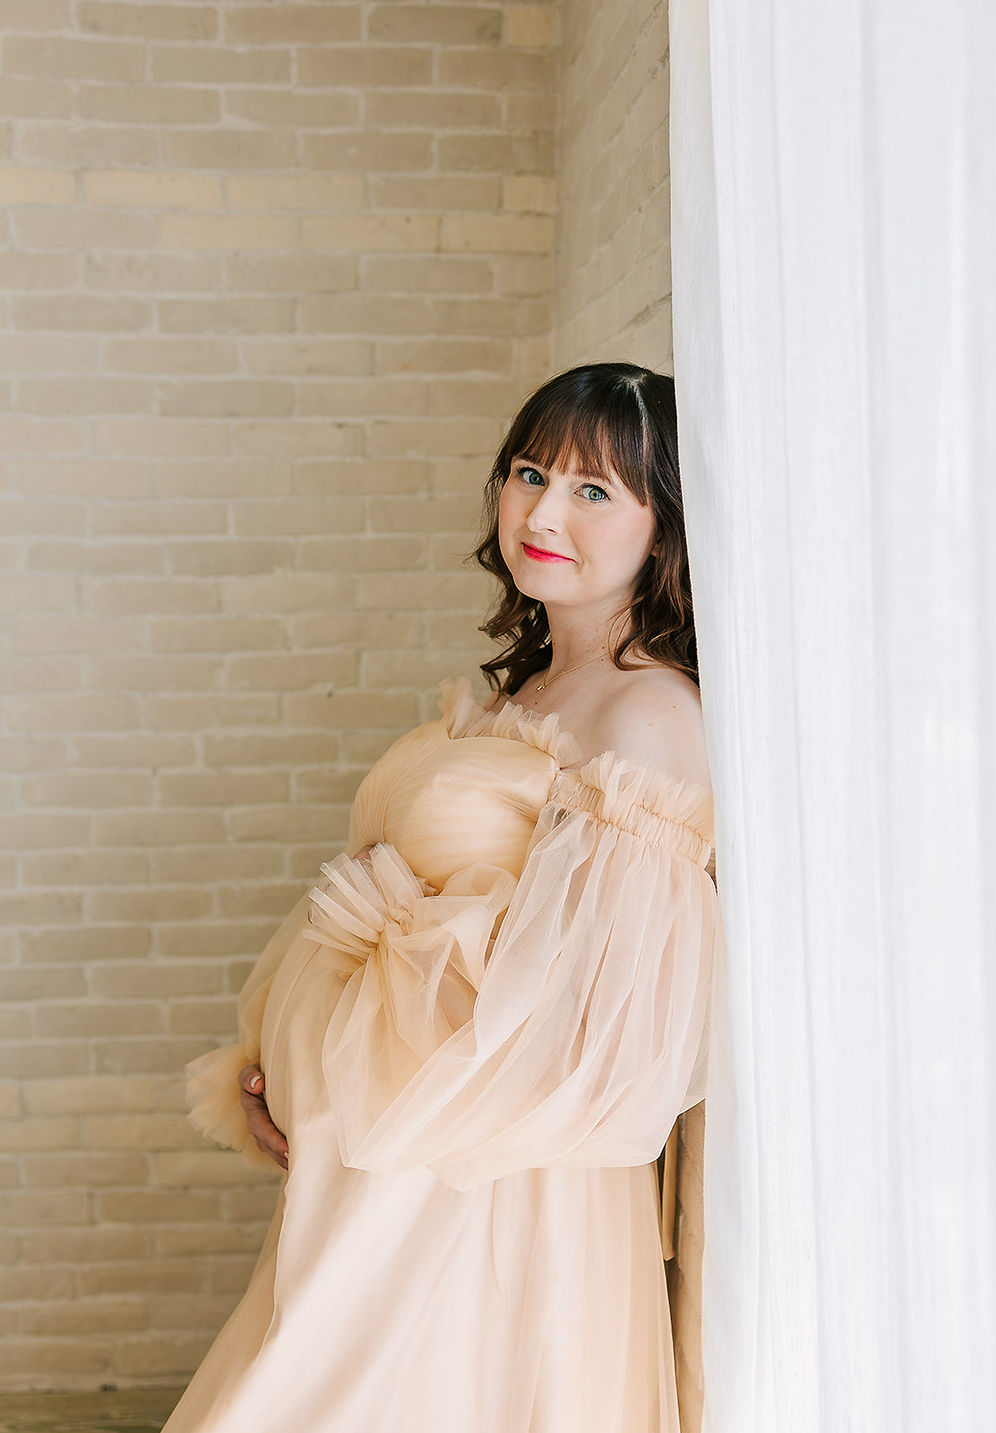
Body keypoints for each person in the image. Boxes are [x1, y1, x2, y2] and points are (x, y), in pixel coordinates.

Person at [163, 363, 721, 1433]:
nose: (542, 511)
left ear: (666, 525)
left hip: (484, 1194)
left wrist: (362, 1095)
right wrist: (279, 1057)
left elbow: (598, 1040)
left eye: (595, 490)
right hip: (389, 1168)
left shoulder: (649, 716)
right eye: (528, 471)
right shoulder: (530, 691)